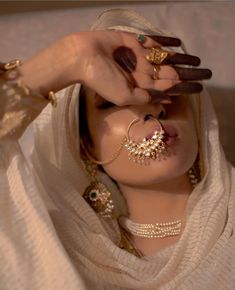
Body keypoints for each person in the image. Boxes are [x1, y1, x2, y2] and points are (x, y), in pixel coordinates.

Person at [0, 8, 234, 290]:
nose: (152, 107)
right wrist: (70, 56)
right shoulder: (53, 246)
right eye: (111, 102)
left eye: (168, 90)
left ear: (196, 116)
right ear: (86, 146)